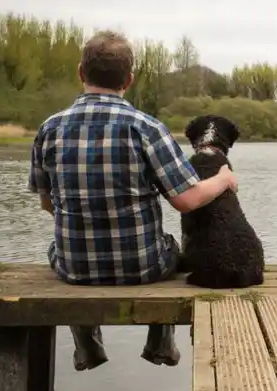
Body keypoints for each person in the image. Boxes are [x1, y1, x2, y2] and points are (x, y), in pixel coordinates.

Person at [27, 31, 237, 370]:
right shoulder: (148, 127)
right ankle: (159, 342)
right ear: (129, 79)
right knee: (171, 248)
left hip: (74, 268)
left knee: (58, 248)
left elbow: (47, 204)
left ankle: (87, 343)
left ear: (81, 72)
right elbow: (187, 200)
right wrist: (223, 178)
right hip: (143, 267)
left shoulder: (49, 128)